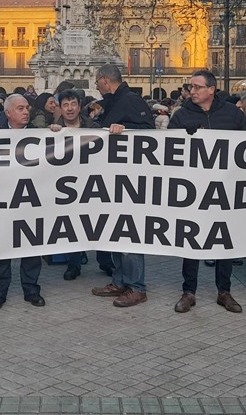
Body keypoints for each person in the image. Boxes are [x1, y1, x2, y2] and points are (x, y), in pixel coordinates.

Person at [168, 70, 246, 314]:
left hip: (225, 189)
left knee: (223, 240)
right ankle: (188, 291)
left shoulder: (233, 115)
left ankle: (224, 291)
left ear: (211, 89)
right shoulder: (181, 116)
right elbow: (167, 151)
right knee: (191, 240)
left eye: (197, 87)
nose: (191, 91)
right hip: (193, 191)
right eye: (190, 87)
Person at [91, 64, 154, 308]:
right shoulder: (114, 101)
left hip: (131, 179)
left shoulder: (131, 100)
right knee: (115, 232)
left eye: (97, 82)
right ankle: (119, 281)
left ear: (106, 81)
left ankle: (137, 287)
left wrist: (125, 129)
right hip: (113, 178)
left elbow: (149, 132)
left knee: (130, 234)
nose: (96, 86)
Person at [0, 94, 45, 309]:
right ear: (7, 113)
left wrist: (56, 133)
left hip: (29, 201)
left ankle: (31, 290)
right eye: (20, 108)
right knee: (1, 248)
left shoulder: (40, 135)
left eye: (27, 108)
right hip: (3, 202)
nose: (26, 112)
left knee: (31, 249)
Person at [49, 89, 98, 280]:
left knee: (98, 223)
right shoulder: (52, 130)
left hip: (92, 183)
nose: (70, 109)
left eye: (73, 104)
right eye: (65, 105)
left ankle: (105, 261)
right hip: (67, 185)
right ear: (60, 108)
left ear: (80, 106)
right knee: (72, 225)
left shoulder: (94, 128)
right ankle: (73, 264)